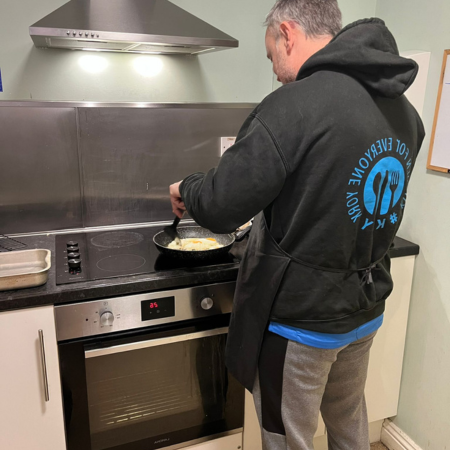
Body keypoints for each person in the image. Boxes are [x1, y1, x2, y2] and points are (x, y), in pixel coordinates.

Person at [169, 0, 425, 448]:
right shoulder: (404, 111)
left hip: (301, 320)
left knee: (289, 436)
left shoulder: (293, 106)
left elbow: (220, 205)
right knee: (348, 421)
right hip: (363, 308)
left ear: (287, 34)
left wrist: (186, 187)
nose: (277, 71)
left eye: (272, 56)